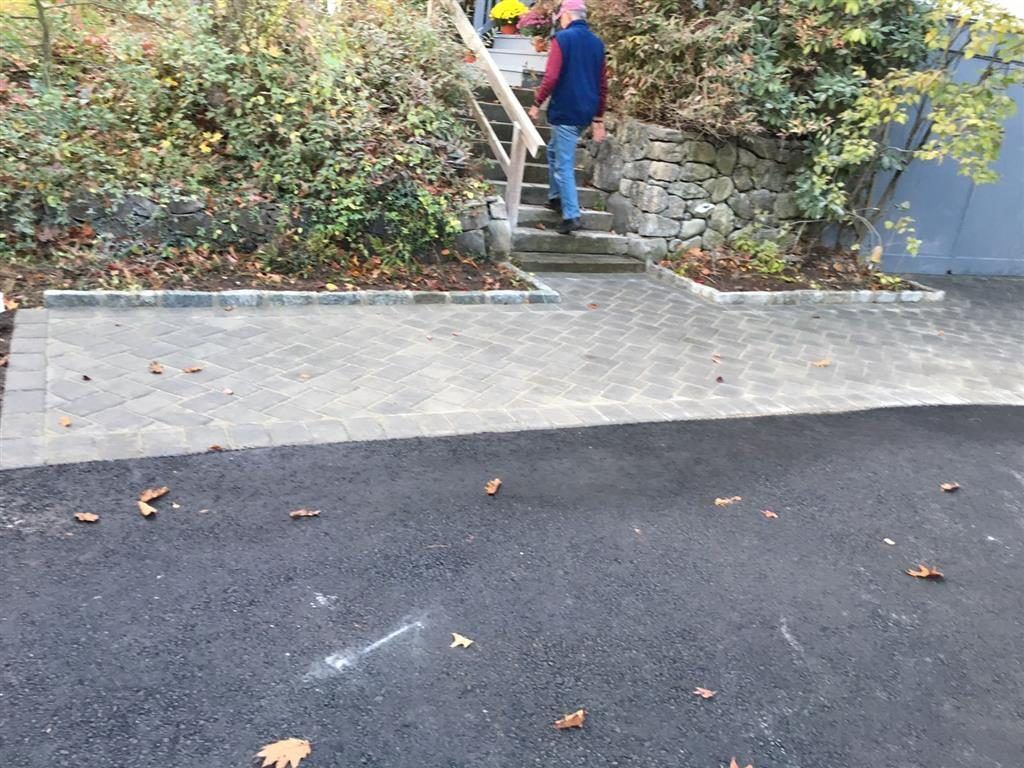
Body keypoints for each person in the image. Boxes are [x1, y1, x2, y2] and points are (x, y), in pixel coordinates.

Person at [528, 0, 607, 235]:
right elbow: (602, 85)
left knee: (564, 164)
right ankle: (555, 196)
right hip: (586, 110)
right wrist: (598, 118)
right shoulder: (597, 43)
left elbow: (551, 77)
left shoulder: (562, 40)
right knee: (553, 151)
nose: (559, 22)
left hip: (567, 110)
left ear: (568, 16)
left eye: (560, 17)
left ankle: (571, 214)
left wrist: (536, 104)